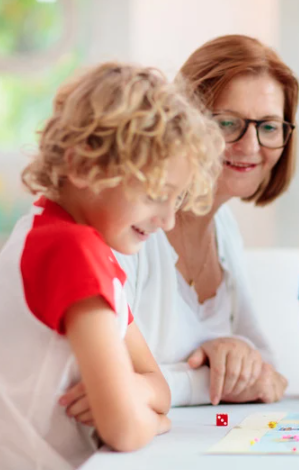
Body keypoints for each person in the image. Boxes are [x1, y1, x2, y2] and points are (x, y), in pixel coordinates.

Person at [0, 62, 223, 469]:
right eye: (157, 193)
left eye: (176, 199)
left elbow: (157, 384)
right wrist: (154, 422)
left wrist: (138, 395)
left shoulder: (70, 242)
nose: (168, 220)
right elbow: (122, 429)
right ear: (85, 167)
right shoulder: (71, 250)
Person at [116, 35, 299, 406]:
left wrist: (234, 352)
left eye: (268, 126)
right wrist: (208, 382)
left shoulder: (224, 228)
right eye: (228, 123)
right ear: (185, 122)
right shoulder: (130, 223)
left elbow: (271, 375)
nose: (249, 146)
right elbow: (113, 385)